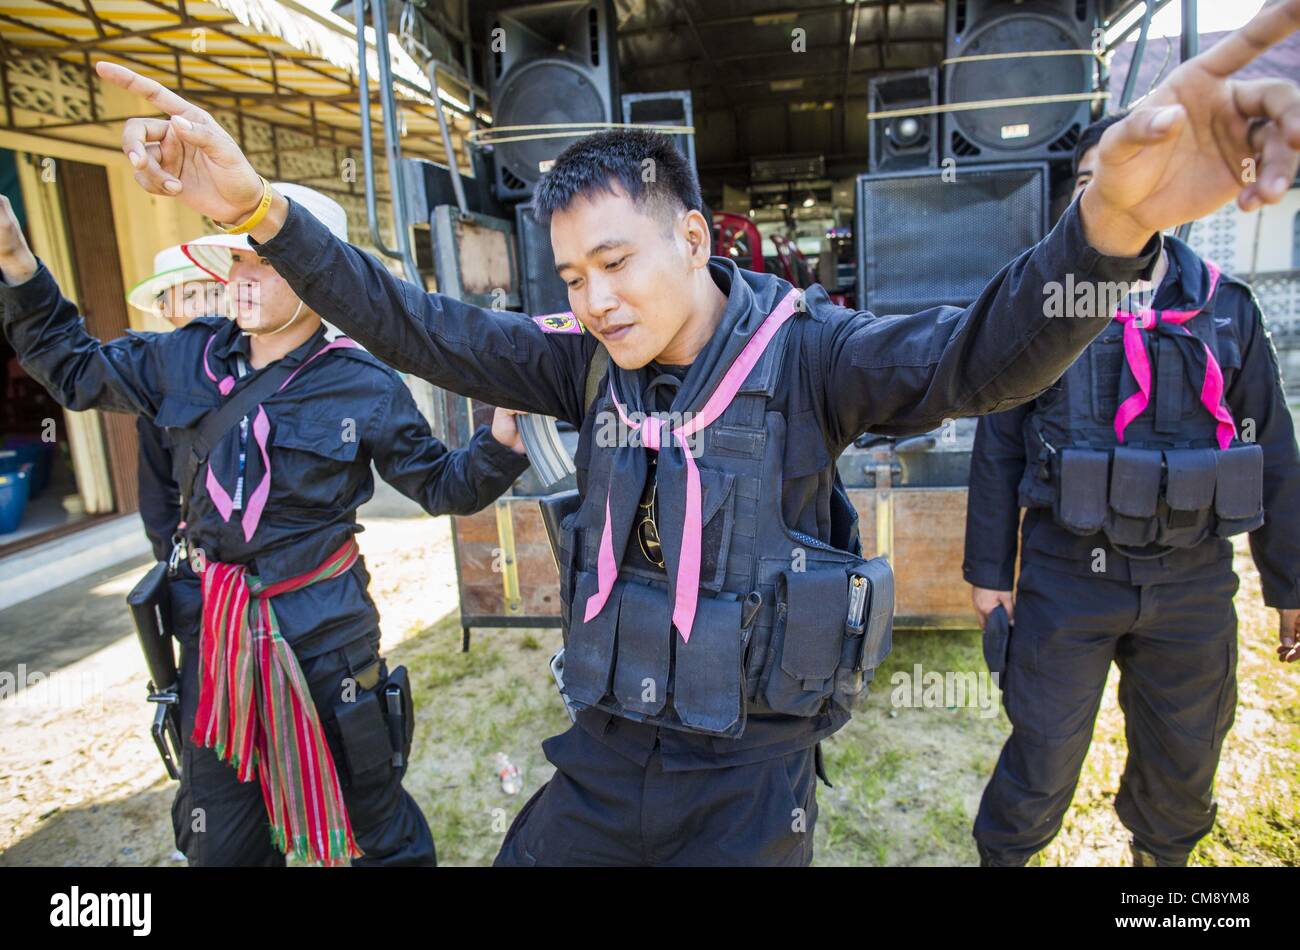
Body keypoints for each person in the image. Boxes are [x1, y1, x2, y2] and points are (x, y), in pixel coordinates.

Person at [92, 1, 1300, 865]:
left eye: (616, 260)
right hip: (606, 756)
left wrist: (1106, 231)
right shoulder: (579, 363)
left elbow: (985, 357)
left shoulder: (813, 356)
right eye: (570, 273)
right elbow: (413, 324)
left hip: (746, 776)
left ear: (695, 240)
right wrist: (260, 209)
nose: (595, 297)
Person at [0, 182, 532, 867]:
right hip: (215, 643)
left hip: (327, 642)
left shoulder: (361, 385)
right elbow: (74, 371)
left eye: (266, 263)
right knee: (221, 846)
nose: (241, 278)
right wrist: (17, 262)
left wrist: (500, 445)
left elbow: (441, 484)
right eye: (237, 260)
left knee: (379, 835)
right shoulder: (184, 358)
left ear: (320, 277)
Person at [963, 111, 1300, 868]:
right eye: (1089, 185)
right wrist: (989, 575)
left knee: (1184, 755)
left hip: (1193, 581)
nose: (1107, 199)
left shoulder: (1224, 308)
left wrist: (1290, 583)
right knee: (1042, 753)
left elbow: (1273, 450)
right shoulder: (1040, 308)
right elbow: (998, 445)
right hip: (1066, 576)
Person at [125, 243, 224, 561]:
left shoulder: (259, 360)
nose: (207, 306)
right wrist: (171, 557)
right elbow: (157, 490)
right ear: (166, 311)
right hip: (206, 553)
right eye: (191, 296)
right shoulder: (157, 384)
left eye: (215, 292)